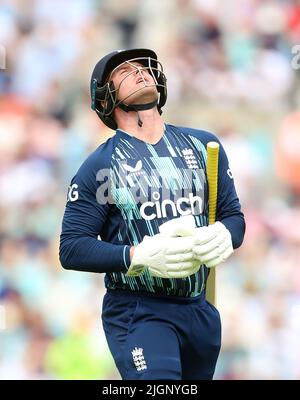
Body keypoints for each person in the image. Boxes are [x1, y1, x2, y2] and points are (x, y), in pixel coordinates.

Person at [59, 48, 245, 380]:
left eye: (143, 66)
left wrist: (224, 235)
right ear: (105, 97)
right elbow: (72, 247)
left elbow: (233, 216)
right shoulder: (101, 167)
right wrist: (136, 255)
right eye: (124, 70)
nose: (140, 71)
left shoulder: (203, 146)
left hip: (200, 310)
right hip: (139, 310)